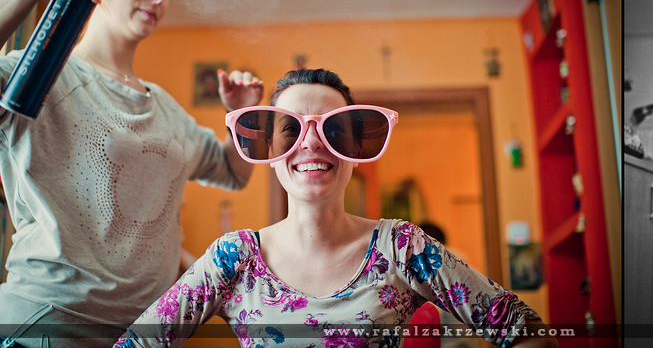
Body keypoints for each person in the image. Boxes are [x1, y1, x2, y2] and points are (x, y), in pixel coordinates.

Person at [114, 69, 558, 348]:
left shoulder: (402, 248)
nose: (311, 142)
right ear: (270, 151)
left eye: (333, 129)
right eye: (291, 130)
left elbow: (528, 332)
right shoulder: (234, 258)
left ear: (356, 149)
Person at [0, 0, 263, 346]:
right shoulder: (39, 71)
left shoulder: (169, 110)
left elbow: (234, 172)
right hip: (49, 325)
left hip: (147, 334)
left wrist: (243, 117)